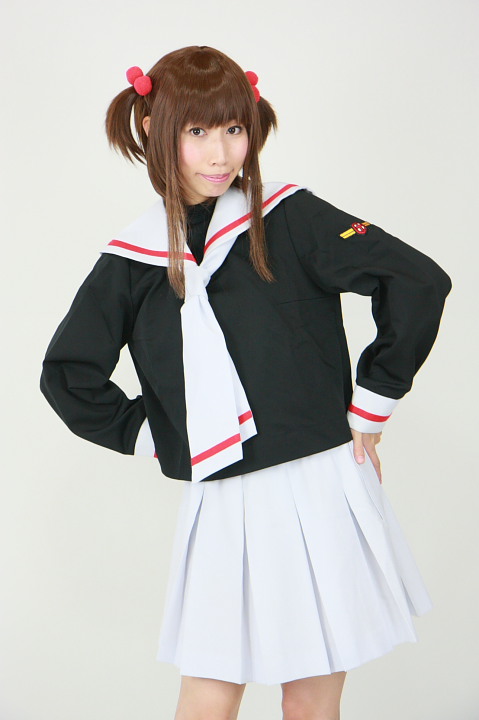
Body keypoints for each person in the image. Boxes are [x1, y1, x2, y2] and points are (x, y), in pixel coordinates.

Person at [39, 45, 452, 720]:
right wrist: (164, 434)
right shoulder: (134, 258)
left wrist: (372, 406)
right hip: (223, 494)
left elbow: (416, 280)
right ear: (154, 128)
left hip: (321, 481)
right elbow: (68, 374)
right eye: (198, 130)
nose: (220, 153)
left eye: (234, 128)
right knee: (208, 694)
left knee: (310, 699)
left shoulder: (288, 216)